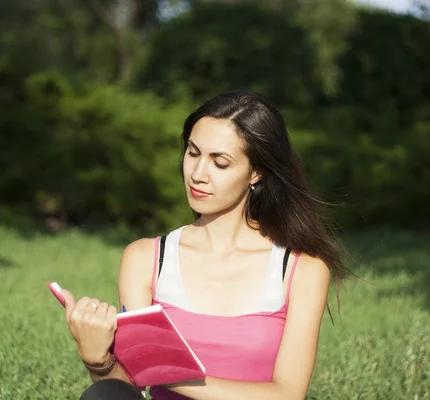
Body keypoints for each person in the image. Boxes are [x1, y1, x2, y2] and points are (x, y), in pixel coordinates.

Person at [60, 90, 348, 399]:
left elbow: (288, 394)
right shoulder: (145, 259)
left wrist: (166, 373)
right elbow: (128, 388)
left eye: (220, 163)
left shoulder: (302, 269)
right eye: (193, 153)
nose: (197, 174)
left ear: (256, 172)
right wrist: (99, 361)